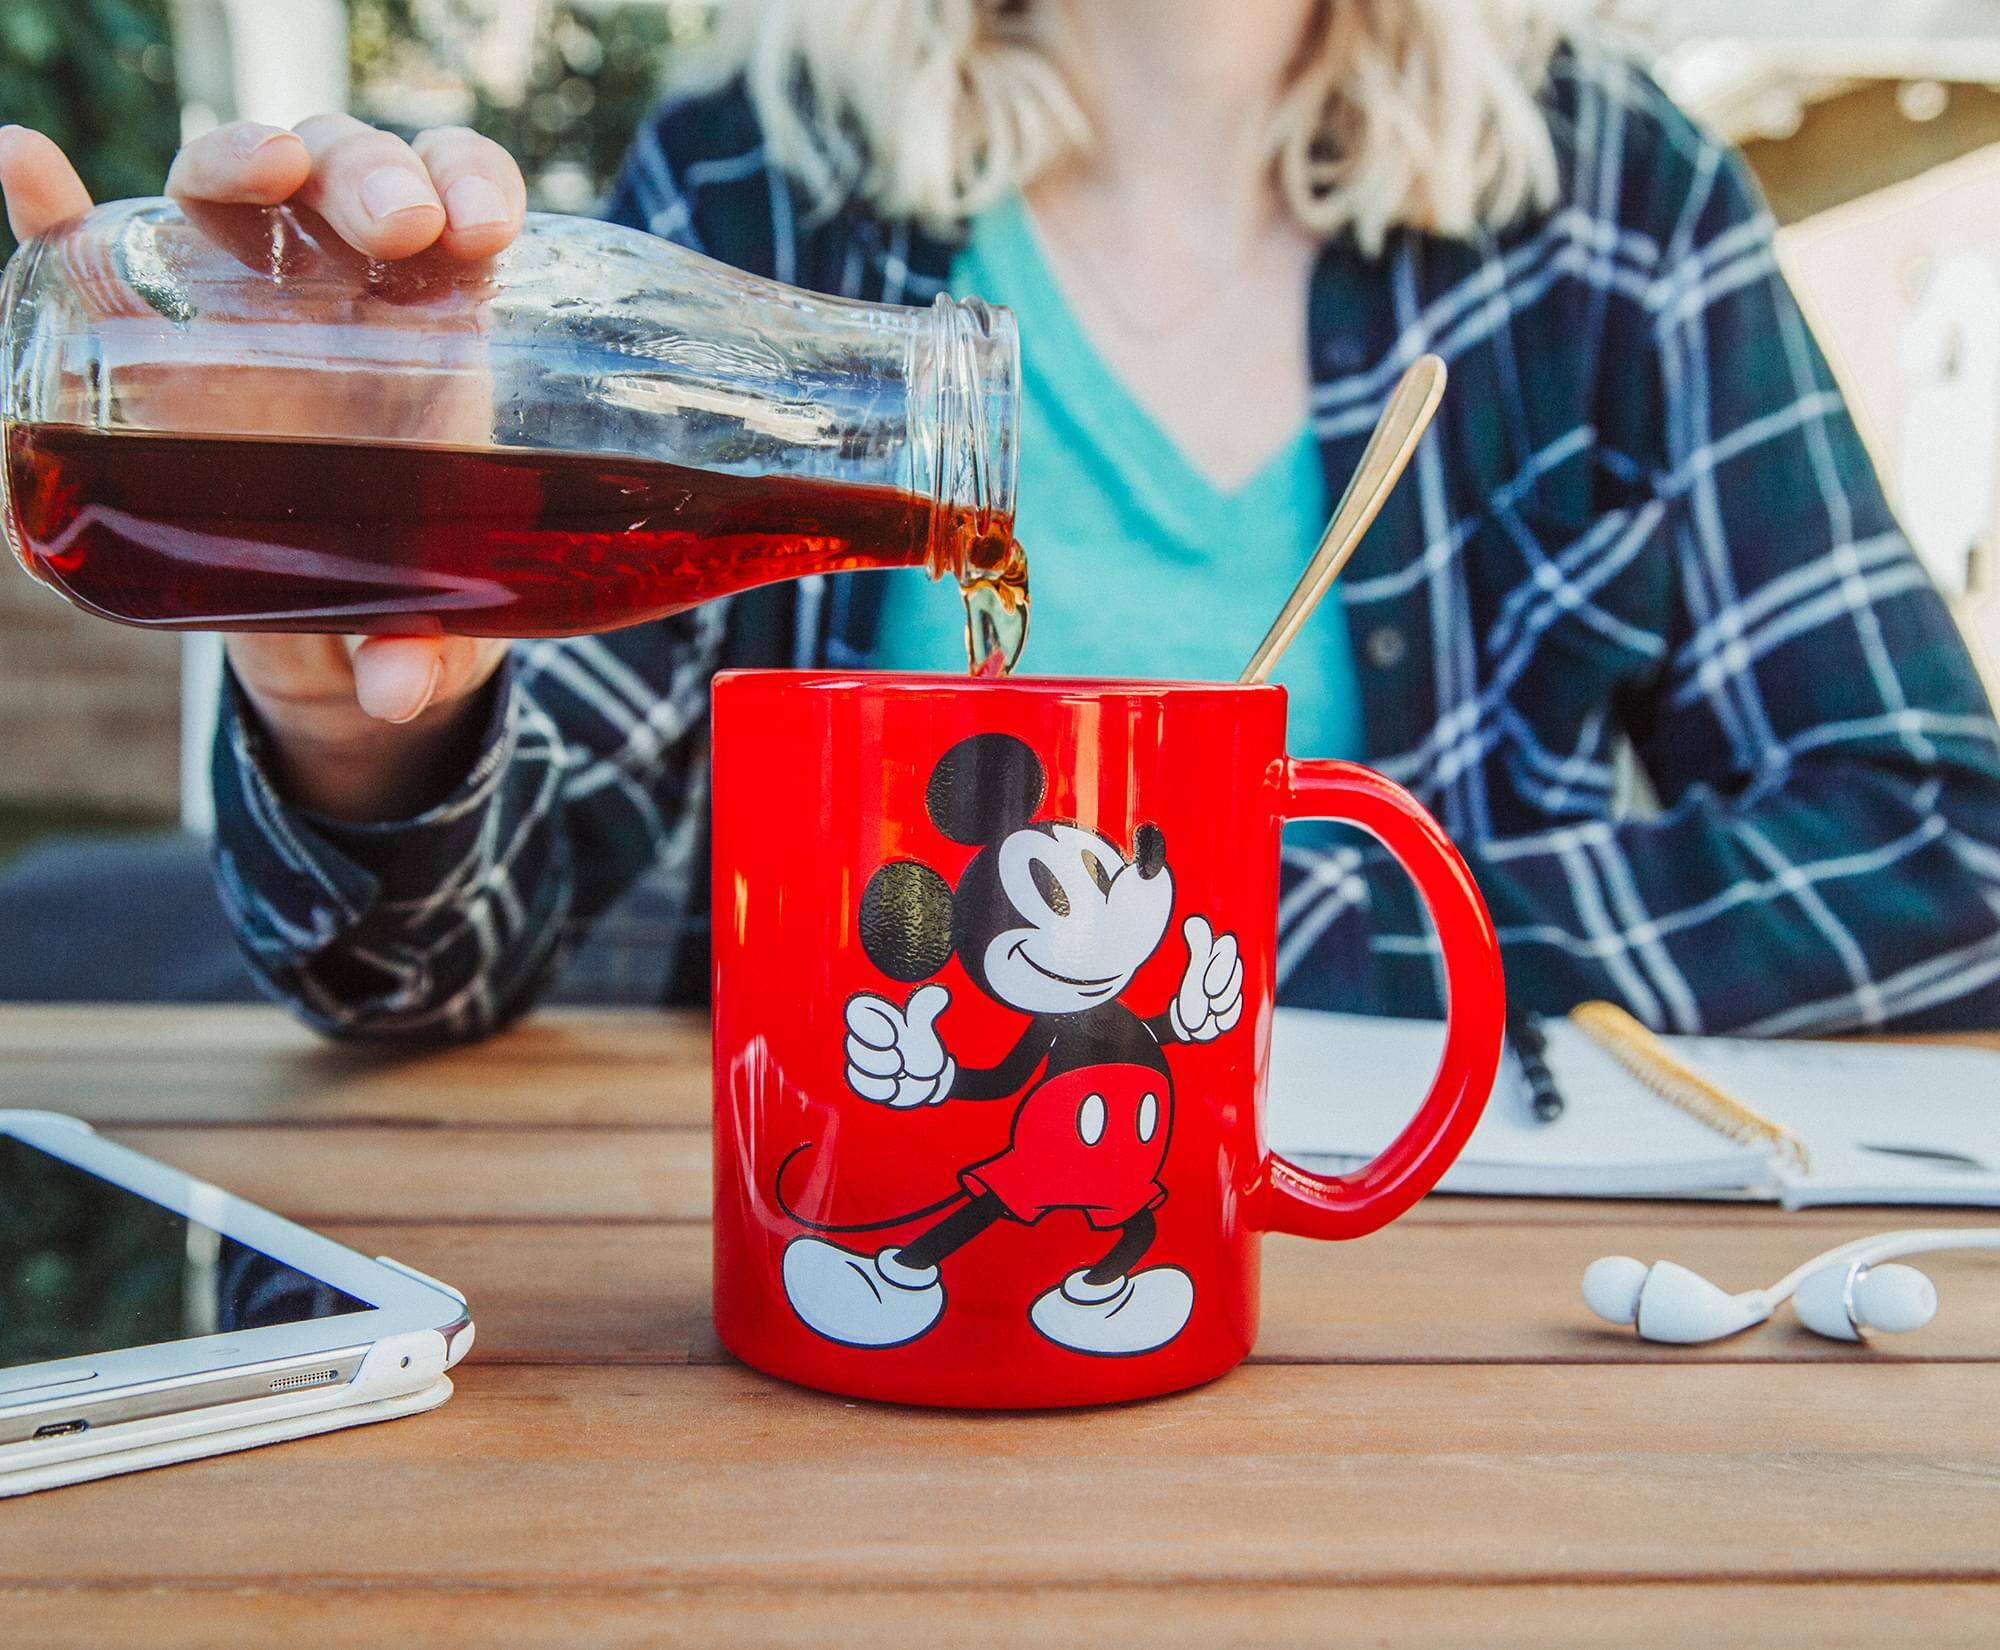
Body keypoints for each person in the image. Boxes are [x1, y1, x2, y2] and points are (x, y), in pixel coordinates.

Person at [5, 0, 1999, 1040]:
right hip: (847, 1299)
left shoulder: (1609, 210)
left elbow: (1942, 843)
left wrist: (1245, 933)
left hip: (1432, 1318)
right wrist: (372, 727)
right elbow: (446, 961)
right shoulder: (765, 170)